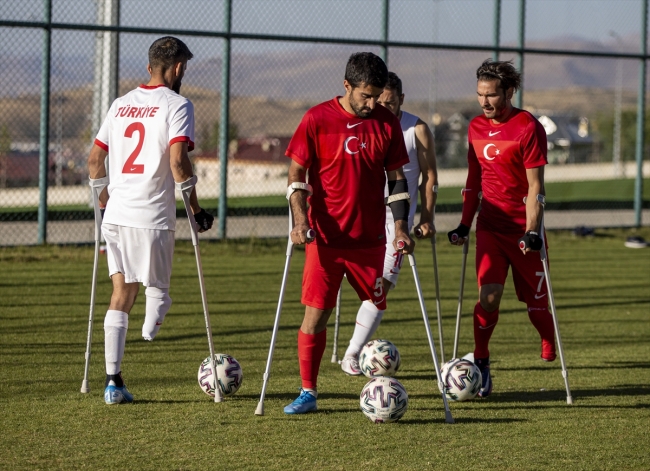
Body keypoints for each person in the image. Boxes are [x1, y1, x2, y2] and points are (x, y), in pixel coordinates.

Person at [283, 52, 415, 414]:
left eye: (377, 96)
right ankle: (308, 392)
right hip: (325, 241)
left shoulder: (386, 123)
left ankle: (359, 358)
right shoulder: (316, 119)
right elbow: (296, 176)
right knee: (317, 314)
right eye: (365, 96)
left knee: (376, 303)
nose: (372, 104)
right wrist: (299, 221)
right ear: (347, 86)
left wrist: (400, 227)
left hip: (370, 239)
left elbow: (398, 180)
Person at [87, 36, 214, 405]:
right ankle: (149, 329)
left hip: (116, 216)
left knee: (121, 292)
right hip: (152, 216)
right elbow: (178, 162)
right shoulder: (178, 104)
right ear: (177, 69)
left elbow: (95, 162)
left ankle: (113, 382)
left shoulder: (120, 104)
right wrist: (195, 208)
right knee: (157, 291)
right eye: (183, 69)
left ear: (149, 67)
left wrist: (105, 202)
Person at [447, 59, 555, 398]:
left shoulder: (528, 127)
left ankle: (548, 336)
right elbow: (473, 179)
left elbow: (536, 186)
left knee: (537, 310)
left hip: (523, 231)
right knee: (488, 297)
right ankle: (481, 362)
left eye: (492, 95)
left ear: (509, 91)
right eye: (480, 95)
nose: (485, 103)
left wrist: (533, 230)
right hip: (490, 228)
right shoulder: (475, 128)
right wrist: (465, 224)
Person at [339, 71, 439, 375]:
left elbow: (430, 176)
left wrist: (426, 218)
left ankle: (352, 354)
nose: (385, 108)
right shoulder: (364, 125)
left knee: (380, 285)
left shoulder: (416, 128)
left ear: (401, 100)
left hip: (397, 222)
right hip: (361, 218)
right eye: (379, 101)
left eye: (391, 103)